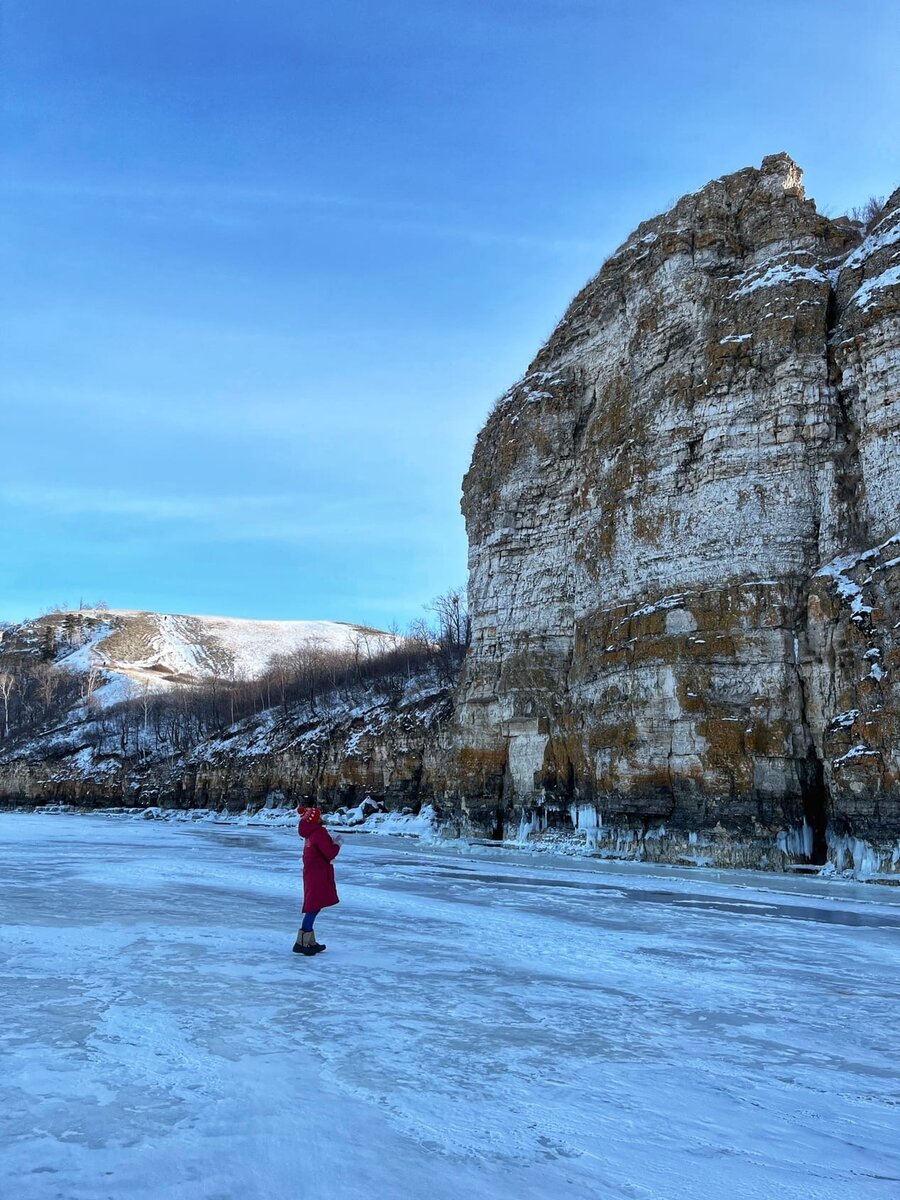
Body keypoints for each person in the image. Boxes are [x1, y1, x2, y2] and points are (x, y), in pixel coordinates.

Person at [293, 806, 343, 956]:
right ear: (315, 819)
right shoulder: (318, 832)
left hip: (312, 872)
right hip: (318, 873)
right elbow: (329, 853)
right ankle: (302, 943)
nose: (322, 818)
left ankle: (309, 941)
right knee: (313, 907)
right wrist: (337, 844)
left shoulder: (310, 834)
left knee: (314, 906)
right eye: (319, 816)